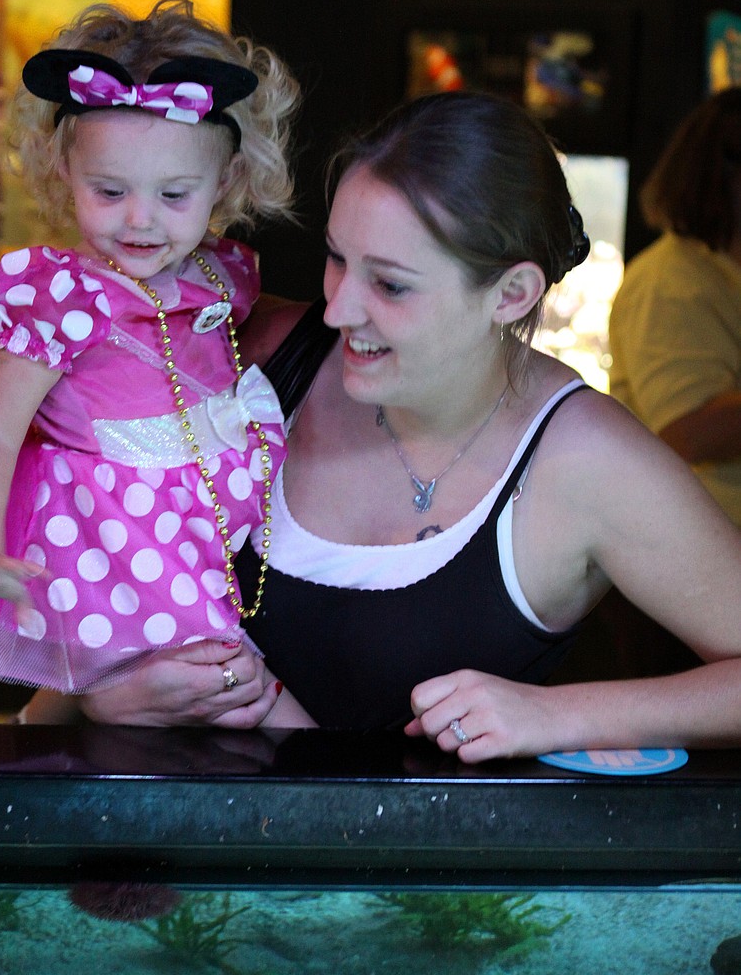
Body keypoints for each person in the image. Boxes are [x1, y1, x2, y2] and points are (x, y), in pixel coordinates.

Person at [50, 92, 741, 761]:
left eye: (391, 285)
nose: (339, 309)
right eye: (337, 258)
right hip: (163, 856)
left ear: (512, 294)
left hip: (401, 881)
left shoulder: (582, 455)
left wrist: (557, 714)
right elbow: (75, 564)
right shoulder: (255, 354)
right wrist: (95, 691)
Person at [0, 0, 313, 726]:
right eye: (109, 191)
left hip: (205, 532)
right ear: (63, 168)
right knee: (238, 700)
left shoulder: (218, 274)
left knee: (220, 706)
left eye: (173, 194)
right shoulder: (61, 295)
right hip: (119, 548)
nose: (139, 219)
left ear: (223, 185)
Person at [609, 87, 741, 525]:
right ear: (724, 177)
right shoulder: (669, 281)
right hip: (703, 555)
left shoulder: (721, 272)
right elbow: (689, 432)